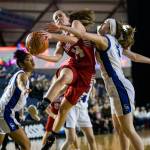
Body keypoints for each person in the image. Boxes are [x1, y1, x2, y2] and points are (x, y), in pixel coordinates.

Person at [46, 18, 150, 150]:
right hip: (114, 88)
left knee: (128, 130)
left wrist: (61, 28)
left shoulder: (105, 39)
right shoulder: (114, 42)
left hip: (119, 86)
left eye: (106, 23)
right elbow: (134, 57)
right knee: (119, 128)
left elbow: (81, 35)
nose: (102, 23)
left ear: (109, 29)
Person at [30, 10, 96, 148]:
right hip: (74, 65)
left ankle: (52, 136)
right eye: (55, 18)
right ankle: (43, 105)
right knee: (63, 76)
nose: (57, 18)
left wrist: (54, 33)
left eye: (60, 15)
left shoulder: (76, 24)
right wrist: (38, 55)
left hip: (86, 72)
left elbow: (75, 39)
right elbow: (56, 58)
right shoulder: (61, 40)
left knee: (64, 109)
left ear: (67, 18)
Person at [42, 81, 97, 150]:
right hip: (70, 108)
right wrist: (47, 100)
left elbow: (92, 90)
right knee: (69, 138)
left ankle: (77, 148)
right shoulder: (75, 77)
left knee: (90, 138)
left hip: (83, 109)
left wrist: (93, 91)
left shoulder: (91, 77)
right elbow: (61, 90)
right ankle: (44, 146)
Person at [0, 50, 35, 150]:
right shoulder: (22, 75)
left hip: (3, 111)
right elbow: (20, 83)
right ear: (21, 64)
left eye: (32, 59)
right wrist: (24, 89)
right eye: (28, 60)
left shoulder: (17, 76)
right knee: (26, 145)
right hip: (5, 113)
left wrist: (20, 113)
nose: (32, 62)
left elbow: (18, 99)